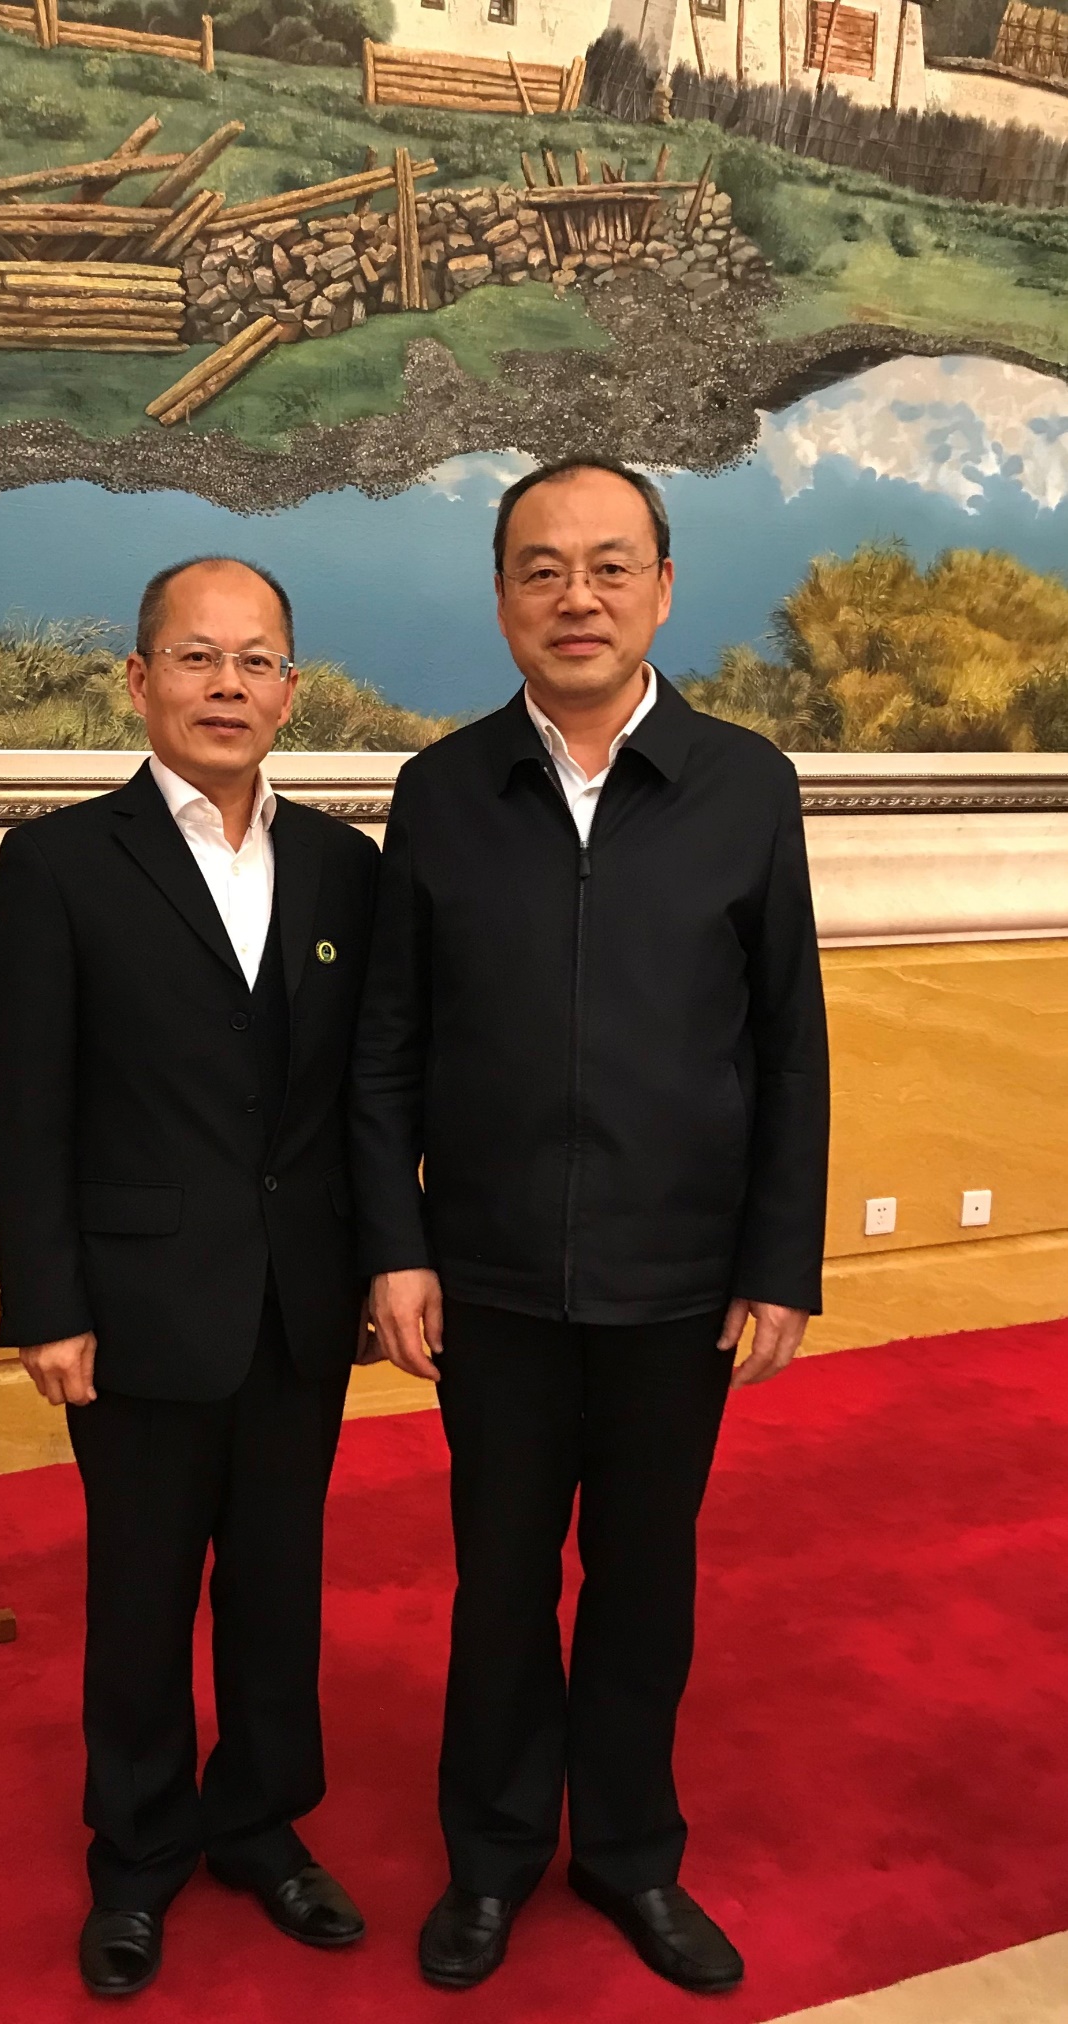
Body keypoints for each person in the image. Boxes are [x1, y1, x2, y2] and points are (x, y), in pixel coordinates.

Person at [351, 457, 829, 1994]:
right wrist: (395, 1245)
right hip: (487, 1280)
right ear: (502, 599)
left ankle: (629, 1855)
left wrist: (779, 1261)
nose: (578, 596)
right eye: (542, 568)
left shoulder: (745, 784)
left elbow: (790, 1046)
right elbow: (387, 1051)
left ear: (663, 590)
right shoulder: (440, 794)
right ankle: (491, 1858)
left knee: (642, 1583)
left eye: (611, 566)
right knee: (500, 1587)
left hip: (677, 1281)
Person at [0, 557, 380, 1999]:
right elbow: (24, 1104)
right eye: (197, 657)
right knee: (142, 1595)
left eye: (256, 660)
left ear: (291, 689)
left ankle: (262, 1825)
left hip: (299, 1303)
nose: (228, 685)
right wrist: (47, 1303)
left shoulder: (343, 866)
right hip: (137, 1305)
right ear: (138, 680)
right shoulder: (60, 864)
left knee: (278, 1585)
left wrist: (381, 1264)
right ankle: (139, 1853)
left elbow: (364, 1092)